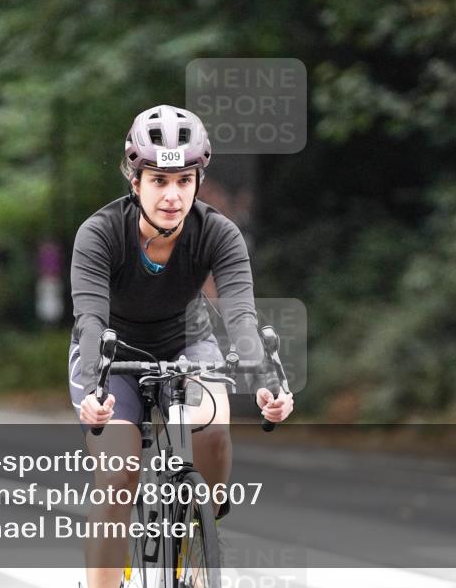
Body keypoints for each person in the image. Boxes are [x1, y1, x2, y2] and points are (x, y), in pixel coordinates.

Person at [69, 104, 295, 588]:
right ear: (135, 182)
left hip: (186, 342)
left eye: (183, 181)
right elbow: (89, 318)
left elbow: (240, 316)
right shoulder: (100, 233)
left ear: (198, 179)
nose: (172, 195)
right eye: (158, 181)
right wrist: (93, 389)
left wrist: (268, 382)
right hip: (112, 352)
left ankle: (201, 535)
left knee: (212, 426)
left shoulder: (217, 232)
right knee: (117, 477)